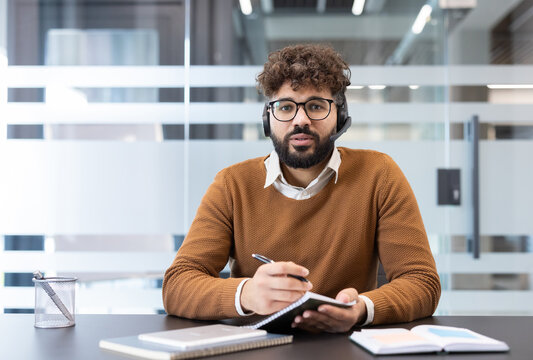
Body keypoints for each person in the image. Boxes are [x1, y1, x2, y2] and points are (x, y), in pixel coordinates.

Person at [163, 44, 441, 333]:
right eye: (285, 107)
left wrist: (360, 309)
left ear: (340, 116)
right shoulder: (231, 185)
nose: (301, 120)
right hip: (254, 348)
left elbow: (421, 281)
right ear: (267, 119)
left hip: (347, 347)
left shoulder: (379, 175)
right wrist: (247, 294)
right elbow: (177, 285)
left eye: (316, 106)